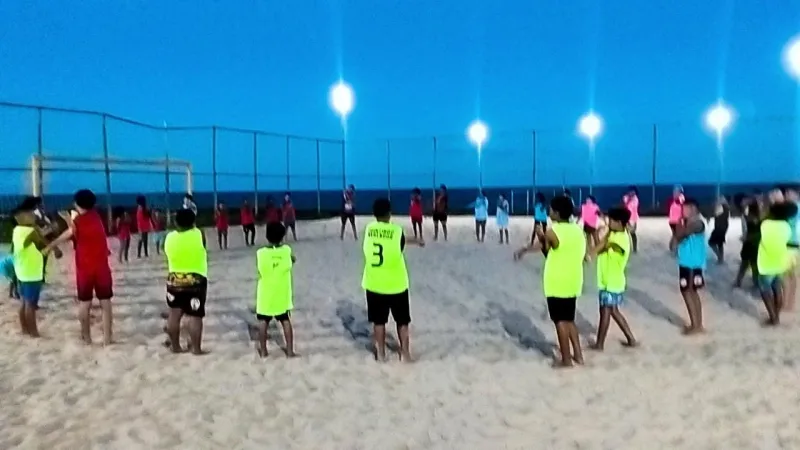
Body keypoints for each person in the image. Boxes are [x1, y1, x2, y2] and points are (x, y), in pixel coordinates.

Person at [514, 195, 586, 368]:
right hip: (574, 279)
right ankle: (578, 355)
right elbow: (552, 246)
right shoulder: (577, 230)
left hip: (558, 281)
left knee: (560, 321)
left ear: (557, 212)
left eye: (551, 209)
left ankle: (566, 360)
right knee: (569, 319)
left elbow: (547, 250)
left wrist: (540, 235)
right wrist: (526, 249)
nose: (549, 212)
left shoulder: (553, 232)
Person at [45, 189, 114, 345]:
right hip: (102, 266)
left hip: (84, 268)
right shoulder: (96, 217)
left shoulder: (78, 222)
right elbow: (76, 229)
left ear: (76, 204)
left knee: (85, 303)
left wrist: (51, 244)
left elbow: (71, 232)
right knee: (106, 302)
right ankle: (108, 338)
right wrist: (70, 220)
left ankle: (86, 336)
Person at [362, 198, 425, 362]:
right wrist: (418, 240)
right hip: (396, 283)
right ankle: (405, 353)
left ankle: (381, 353)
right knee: (402, 321)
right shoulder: (396, 231)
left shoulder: (369, 229)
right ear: (389, 213)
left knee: (379, 321)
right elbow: (402, 241)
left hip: (374, 282)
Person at [589, 207, 637, 350]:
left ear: (619, 223)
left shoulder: (621, 238)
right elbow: (602, 248)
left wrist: (591, 252)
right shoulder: (613, 234)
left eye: (612, 220)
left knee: (605, 312)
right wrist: (596, 236)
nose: (609, 222)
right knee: (613, 311)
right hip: (607, 280)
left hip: (612, 281)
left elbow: (610, 246)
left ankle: (599, 344)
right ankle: (631, 339)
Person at [163, 209, 208, 355]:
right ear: (193, 222)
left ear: (176, 222)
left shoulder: (170, 237)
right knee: (195, 315)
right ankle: (196, 348)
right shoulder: (199, 234)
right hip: (196, 280)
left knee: (174, 314)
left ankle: (176, 346)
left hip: (175, 280)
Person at [255, 222, 298, 358]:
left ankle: (263, 351)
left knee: (263, 322)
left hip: (265, 293)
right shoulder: (286, 251)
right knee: (285, 320)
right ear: (283, 236)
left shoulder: (260, 253)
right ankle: (290, 351)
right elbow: (291, 261)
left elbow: (261, 268)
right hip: (281, 293)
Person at [669, 198, 707, 335]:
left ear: (693, 209)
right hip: (687, 262)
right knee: (690, 292)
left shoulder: (698, 222)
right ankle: (697, 324)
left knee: (688, 292)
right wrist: (678, 231)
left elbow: (681, 234)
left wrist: (679, 229)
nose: (682, 211)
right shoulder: (687, 223)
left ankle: (696, 325)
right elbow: (672, 244)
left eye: (684, 208)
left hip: (692, 263)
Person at [12, 201, 48, 338]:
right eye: (31, 213)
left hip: (22, 270)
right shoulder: (31, 231)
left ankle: (24, 329)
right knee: (30, 304)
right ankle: (34, 332)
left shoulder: (17, 230)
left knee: (24, 302)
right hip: (31, 272)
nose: (34, 215)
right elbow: (40, 241)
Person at [756, 201, 795, 326]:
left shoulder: (766, 224)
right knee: (777, 289)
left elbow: (759, 221)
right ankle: (777, 315)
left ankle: (773, 318)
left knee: (765, 291)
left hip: (766, 262)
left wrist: (762, 207)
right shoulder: (786, 226)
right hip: (780, 261)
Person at [734, 198, 761, 288]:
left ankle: (738, 282)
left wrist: (744, 238)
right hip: (757, 242)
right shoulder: (760, 217)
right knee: (754, 264)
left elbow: (745, 231)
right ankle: (755, 282)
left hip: (749, 242)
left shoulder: (746, 217)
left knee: (744, 264)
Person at [783, 186, 799, 311]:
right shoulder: (793, 207)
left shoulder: (793, 208)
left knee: (787, 276)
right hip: (795, 245)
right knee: (792, 276)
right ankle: (790, 303)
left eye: (788, 193)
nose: (786, 195)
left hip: (790, 244)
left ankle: (788, 303)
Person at [708, 196, 730, 264]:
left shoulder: (721, 206)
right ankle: (721, 258)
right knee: (720, 243)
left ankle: (720, 257)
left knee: (711, 242)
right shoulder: (726, 206)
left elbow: (715, 214)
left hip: (719, 227)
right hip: (724, 226)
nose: (718, 200)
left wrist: (714, 205)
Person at [622, 186, 640, 252]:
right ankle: (626, 247)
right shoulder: (625, 197)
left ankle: (635, 248)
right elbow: (625, 205)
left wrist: (631, 199)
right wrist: (629, 199)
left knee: (633, 233)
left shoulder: (636, 199)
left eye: (633, 191)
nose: (632, 192)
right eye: (630, 191)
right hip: (626, 217)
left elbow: (635, 207)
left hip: (633, 218)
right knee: (625, 234)